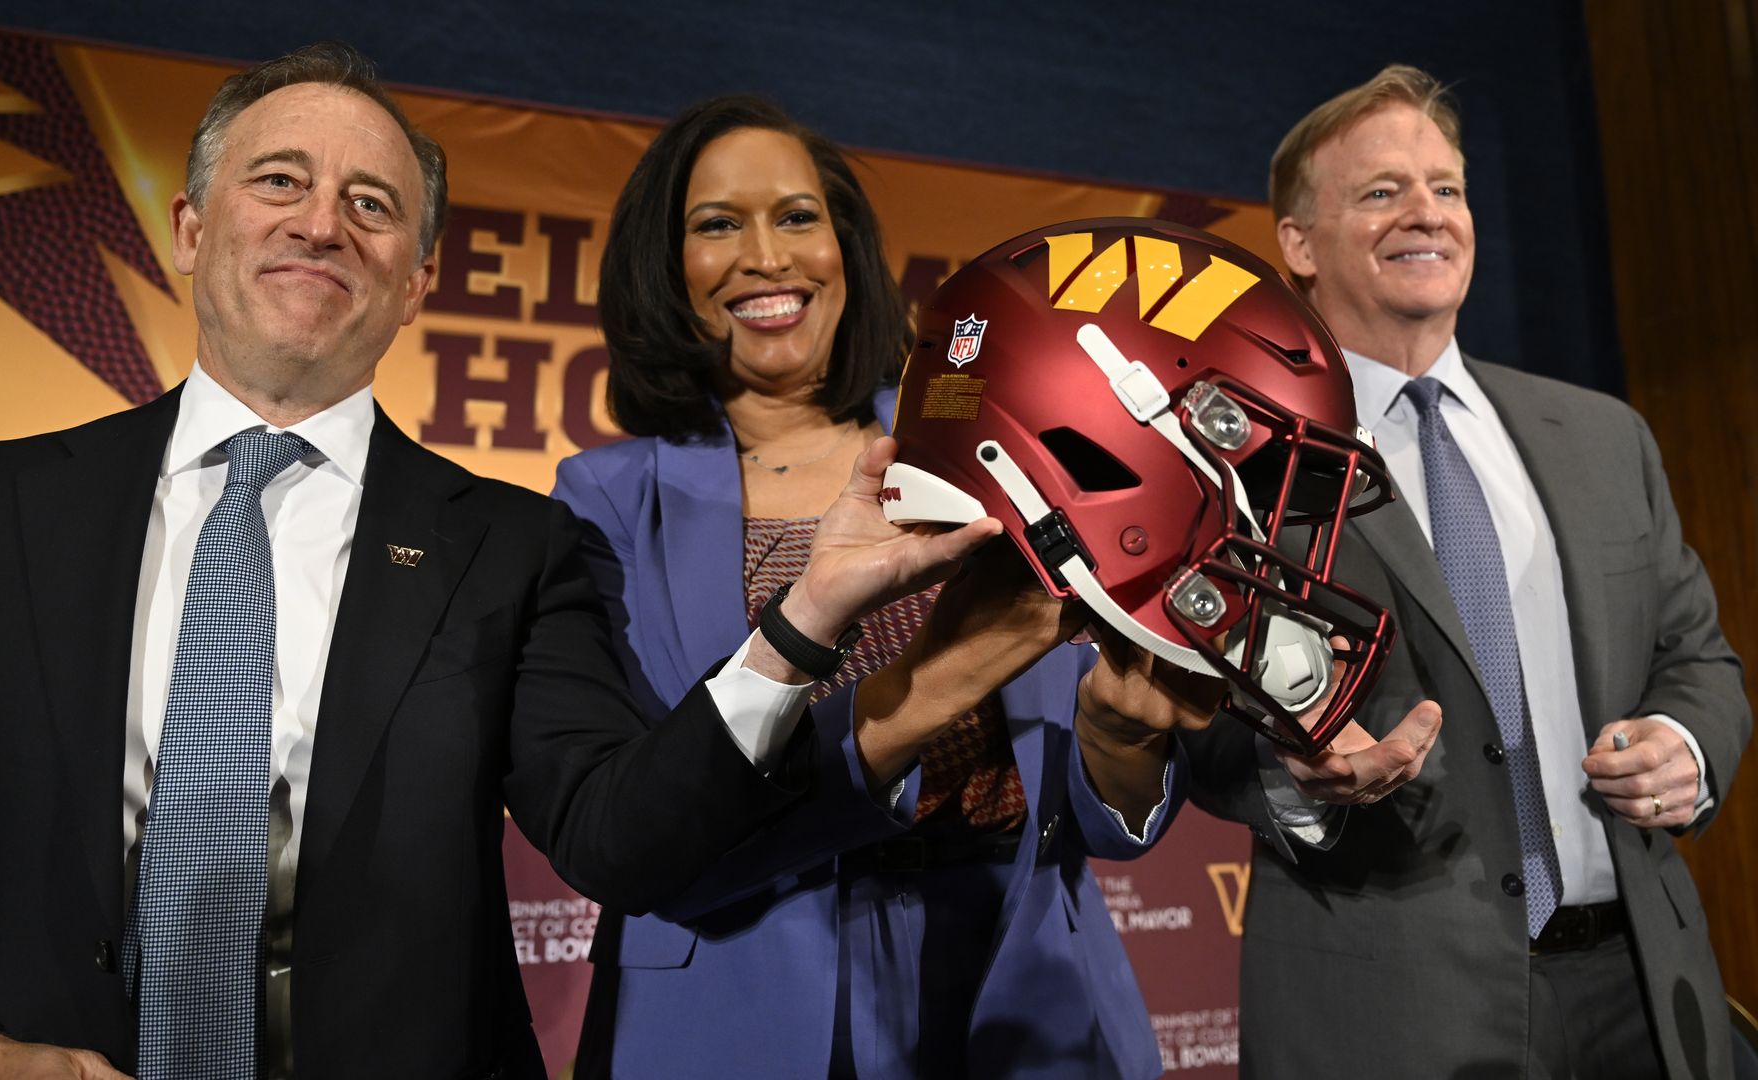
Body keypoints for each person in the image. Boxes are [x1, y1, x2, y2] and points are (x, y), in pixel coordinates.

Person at [0, 45, 1015, 1080]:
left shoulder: (511, 546)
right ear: (191, 229)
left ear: (417, 280)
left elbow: (621, 835)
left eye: (371, 203)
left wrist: (803, 616)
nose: (320, 223)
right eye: (280, 182)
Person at [554, 95, 1220, 1080]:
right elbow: (644, 818)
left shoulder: (985, 447)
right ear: (663, 267)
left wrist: (1122, 740)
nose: (767, 255)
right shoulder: (605, 498)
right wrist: (926, 689)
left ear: (844, 247)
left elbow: (1091, 821)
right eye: (716, 225)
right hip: (740, 996)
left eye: (795, 216)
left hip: (1022, 991)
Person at [1182, 64, 1750, 1078]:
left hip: (1643, 990)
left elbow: (1695, 653)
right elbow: (1196, 726)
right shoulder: (1238, 465)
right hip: (1387, 1006)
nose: (1427, 214)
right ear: (1298, 244)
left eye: (1446, 187)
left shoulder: (1603, 435)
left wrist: (1684, 745)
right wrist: (1302, 779)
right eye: (1381, 191)